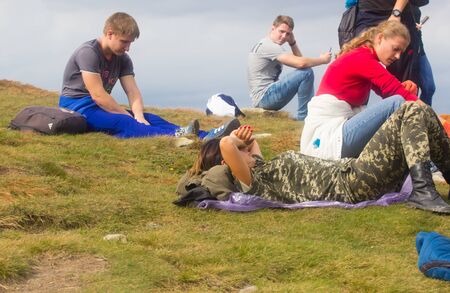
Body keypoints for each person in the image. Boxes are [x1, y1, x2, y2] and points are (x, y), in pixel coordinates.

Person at [180, 102, 450, 214]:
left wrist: (245, 141)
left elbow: (248, 145)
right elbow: (227, 144)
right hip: (352, 183)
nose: (248, 149)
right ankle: (423, 191)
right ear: (229, 163)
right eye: (243, 150)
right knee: (410, 109)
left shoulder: (262, 168)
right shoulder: (252, 184)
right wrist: (234, 142)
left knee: (422, 111)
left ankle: (432, 185)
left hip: (355, 173)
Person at [59, 12, 239, 139]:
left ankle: (206, 136)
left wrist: (139, 116)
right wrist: (128, 116)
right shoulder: (88, 52)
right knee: (124, 123)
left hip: (98, 107)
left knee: (152, 119)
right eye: (124, 42)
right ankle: (175, 137)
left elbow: (132, 92)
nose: (127, 48)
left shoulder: (123, 58)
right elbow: (98, 96)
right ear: (109, 34)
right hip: (78, 108)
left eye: (130, 43)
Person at [301, 20, 419, 160]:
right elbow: (395, 93)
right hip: (328, 135)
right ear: (380, 38)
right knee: (397, 102)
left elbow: (387, 90)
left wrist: (407, 90)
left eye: (401, 52)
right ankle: (428, 164)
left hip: (339, 129)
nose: (398, 56)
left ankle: (422, 166)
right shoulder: (362, 58)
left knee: (399, 105)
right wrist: (438, 121)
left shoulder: (365, 57)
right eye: (395, 49)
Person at [247, 15, 332, 121]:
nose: (284, 36)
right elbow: (301, 64)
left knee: (305, 72)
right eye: (281, 31)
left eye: (287, 34)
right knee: (306, 73)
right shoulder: (268, 46)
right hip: (264, 97)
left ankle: (304, 117)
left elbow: (302, 63)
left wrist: (292, 43)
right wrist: (323, 60)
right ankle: (304, 119)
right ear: (273, 28)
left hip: (264, 97)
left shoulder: (266, 44)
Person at [355, 0, 435, 105]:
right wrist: (396, 13)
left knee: (428, 87)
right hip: (374, 14)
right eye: (396, 50)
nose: (397, 56)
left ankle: (423, 118)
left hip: (406, 19)